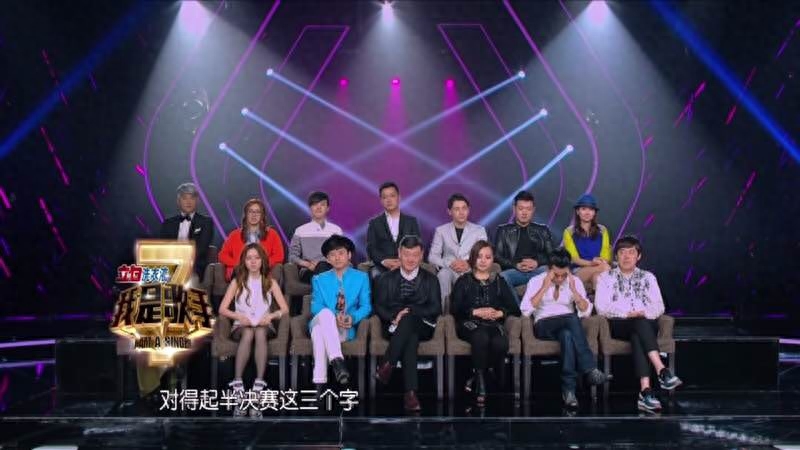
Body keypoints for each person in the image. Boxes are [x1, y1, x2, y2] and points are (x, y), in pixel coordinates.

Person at [594, 235, 682, 413]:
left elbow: (659, 306)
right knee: (638, 325)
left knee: (639, 329)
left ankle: (646, 391)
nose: (626, 256)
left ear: (638, 256)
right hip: (619, 324)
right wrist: (627, 314)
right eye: (622, 252)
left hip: (645, 323)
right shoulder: (605, 277)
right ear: (616, 256)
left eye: (631, 252)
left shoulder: (648, 277)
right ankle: (661, 370)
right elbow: (601, 307)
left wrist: (643, 313)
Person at [520, 248, 609, 410]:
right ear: (549, 269)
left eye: (564, 275)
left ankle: (569, 391)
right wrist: (545, 286)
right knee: (571, 319)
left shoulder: (574, 281)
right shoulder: (536, 281)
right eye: (556, 275)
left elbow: (586, 312)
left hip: (568, 326)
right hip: (543, 325)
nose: (560, 279)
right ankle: (589, 368)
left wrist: (574, 291)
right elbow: (526, 310)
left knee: (567, 335)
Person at [218, 243, 289, 417]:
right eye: (249, 258)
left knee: (260, 331)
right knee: (249, 331)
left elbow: (285, 309)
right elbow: (222, 309)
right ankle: (238, 386)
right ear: (244, 261)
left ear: (262, 260)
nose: (253, 261)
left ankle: (258, 388)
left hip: (264, 324)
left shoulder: (270, 282)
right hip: (241, 326)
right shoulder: (237, 282)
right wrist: (239, 316)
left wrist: (271, 316)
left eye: (257, 258)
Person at [373, 236, 441, 412]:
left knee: (409, 319)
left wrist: (408, 312)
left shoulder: (431, 279)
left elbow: (436, 308)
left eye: (415, 255)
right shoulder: (385, 279)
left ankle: (388, 363)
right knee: (410, 337)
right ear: (399, 254)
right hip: (394, 325)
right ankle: (410, 394)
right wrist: (395, 316)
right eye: (406, 254)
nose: (411, 259)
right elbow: (379, 306)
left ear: (422, 255)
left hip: (423, 324)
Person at [451, 240, 520, 405]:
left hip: (492, 324)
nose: (483, 261)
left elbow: (515, 308)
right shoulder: (463, 281)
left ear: (492, 260)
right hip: (469, 324)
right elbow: (454, 309)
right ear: (473, 258)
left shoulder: (499, 281)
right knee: (480, 336)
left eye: (487, 257)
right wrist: (475, 312)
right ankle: (481, 385)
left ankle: (475, 376)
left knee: (501, 343)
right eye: (479, 256)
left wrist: (499, 313)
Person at [308, 235, 371, 389]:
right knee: (325, 314)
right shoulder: (319, 279)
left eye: (341, 253)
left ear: (349, 255)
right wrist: (332, 317)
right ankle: (337, 359)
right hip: (322, 320)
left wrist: (353, 317)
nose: (337, 258)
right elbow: (315, 307)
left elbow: (366, 306)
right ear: (327, 259)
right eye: (332, 255)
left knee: (318, 333)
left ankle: (319, 386)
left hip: (344, 327)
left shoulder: (361, 278)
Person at [494, 191, 554, 303]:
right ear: (514, 209)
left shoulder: (543, 230)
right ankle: (519, 309)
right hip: (515, 271)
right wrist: (515, 264)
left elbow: (552, 255)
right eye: (521, 208)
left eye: (528, 209)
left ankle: (545, 310)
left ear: (533, 210)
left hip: (538, 270)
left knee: (550, 273)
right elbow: (497, 256)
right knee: (501, 278)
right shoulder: (503, 230)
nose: (524, 212)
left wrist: (537, 262)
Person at [429, 193, 488, 301]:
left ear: (468, 210)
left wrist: (468, 263)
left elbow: (483, 254)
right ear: (449, 211)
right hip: (450, 269)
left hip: (470, 269)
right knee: (443, 274)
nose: (461, 212)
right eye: (457, 209)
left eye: (464, 208)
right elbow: (432, 256)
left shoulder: (479, 230)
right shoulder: (441, 230)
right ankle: (443, 310)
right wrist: (450, 264)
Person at [219, 198, 284, 281]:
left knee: (277, 268)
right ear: (246, 214)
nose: (254, 215)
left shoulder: (272, 234)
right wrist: (238, 264)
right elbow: (222, 255)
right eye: (250, 211)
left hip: (263, 271)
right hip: (240, 271)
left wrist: (261, 264)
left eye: (257, 212)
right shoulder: (234, 234)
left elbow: (279, 256)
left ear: (262, 216)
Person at [158, 182, 214, 279]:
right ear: (178, 201)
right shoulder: (168, 223)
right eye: (184, 198)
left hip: (194, 266)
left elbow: (201, 248)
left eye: (192, 198)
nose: (188, 202)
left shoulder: (206, 222)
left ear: (197, 201)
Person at [366, 181, 420, 279]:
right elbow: (371, 248)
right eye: (385, 197)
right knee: (375, 274)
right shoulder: (374, 223)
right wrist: (384, 261)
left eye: (392, 196)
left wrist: (403, 262)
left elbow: (418, 245)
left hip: (408, 263)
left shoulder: (411, 221)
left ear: (399, 197)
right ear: (381, 200)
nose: (389, 200)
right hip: (383, 266)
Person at [288, 191, 342, 283]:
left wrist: (327, 263)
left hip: (332, 269)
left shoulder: (336, 230)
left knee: (324, 267)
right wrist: (307, 264)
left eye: (322, 204)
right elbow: (292, 256)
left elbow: (341, 254)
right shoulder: (300, 231)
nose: (318, 207)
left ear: (328, 208)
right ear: (310, 208)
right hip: (309, 271)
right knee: (323, 271)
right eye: (315, 204)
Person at [561, 194, 611, 292]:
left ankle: (596, 301)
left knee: (597, 277)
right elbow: (573, 258)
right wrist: (592, 263)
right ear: (577, 211)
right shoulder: (569, 232)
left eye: (591, 209)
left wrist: (600, 261)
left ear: (594, 213)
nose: (587, 213)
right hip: (577, 271)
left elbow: (605, 255)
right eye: (584, 209)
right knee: (605, 268)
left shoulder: (602, 230)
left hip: (599, 267)